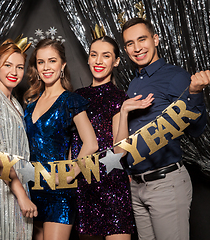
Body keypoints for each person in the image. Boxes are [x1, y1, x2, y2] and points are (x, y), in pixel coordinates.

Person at [114, 17, 210, 240]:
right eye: (130, 43)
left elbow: (197, 129)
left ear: (155, 39)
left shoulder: (175, 76)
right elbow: (134, 132)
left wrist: (195, 93)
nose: (137, 48)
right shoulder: (135, 82)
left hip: (165, 184)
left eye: (142, 39)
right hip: (138, 186)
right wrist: (129, 172)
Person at [23, 39, 98, 240]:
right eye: (41, 62)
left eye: (52, 61)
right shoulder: (30, 105)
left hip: (59, 192)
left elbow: (91, 144)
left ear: (62, 65)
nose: (46, 67)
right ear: (36, 67)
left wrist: (69, 175)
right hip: (33, 189)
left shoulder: (70, 101)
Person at [70, 35, 135, 240]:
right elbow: (72, 143)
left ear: (115, 61)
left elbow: (120, 151)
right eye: (94, 55)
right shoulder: (77, 96)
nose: (98, 61)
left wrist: (123, 113)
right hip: (84, 184)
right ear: (88, 59)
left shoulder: (119, 98)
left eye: (106, 56)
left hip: (112, 185)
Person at [0, 38, 37, 240]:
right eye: (8, 65)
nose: (14, 72)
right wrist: (22, 196)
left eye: (19, 67)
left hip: (18, 186)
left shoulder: (17, 104)